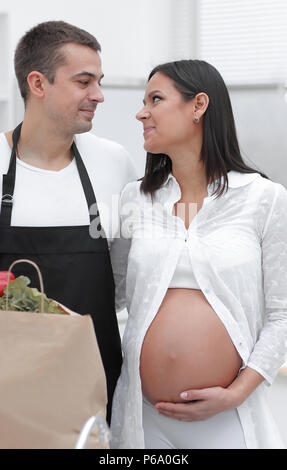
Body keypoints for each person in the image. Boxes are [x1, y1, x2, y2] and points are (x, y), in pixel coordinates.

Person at [110, 59, 287, 449]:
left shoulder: (264, 199)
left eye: (155, 99)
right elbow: (113, 293)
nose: (142, 113)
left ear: (198, 106)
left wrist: (238, 392)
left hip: (225, 421)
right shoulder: (134, 199)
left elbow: (282, 314)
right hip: (143, 419)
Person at [0, 20, 137, 424]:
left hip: (95, 389)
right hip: (9, 392)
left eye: (99, 81)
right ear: (38, 83)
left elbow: (125, 277)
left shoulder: (115, 163)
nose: (98, 95)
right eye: (83, 81)